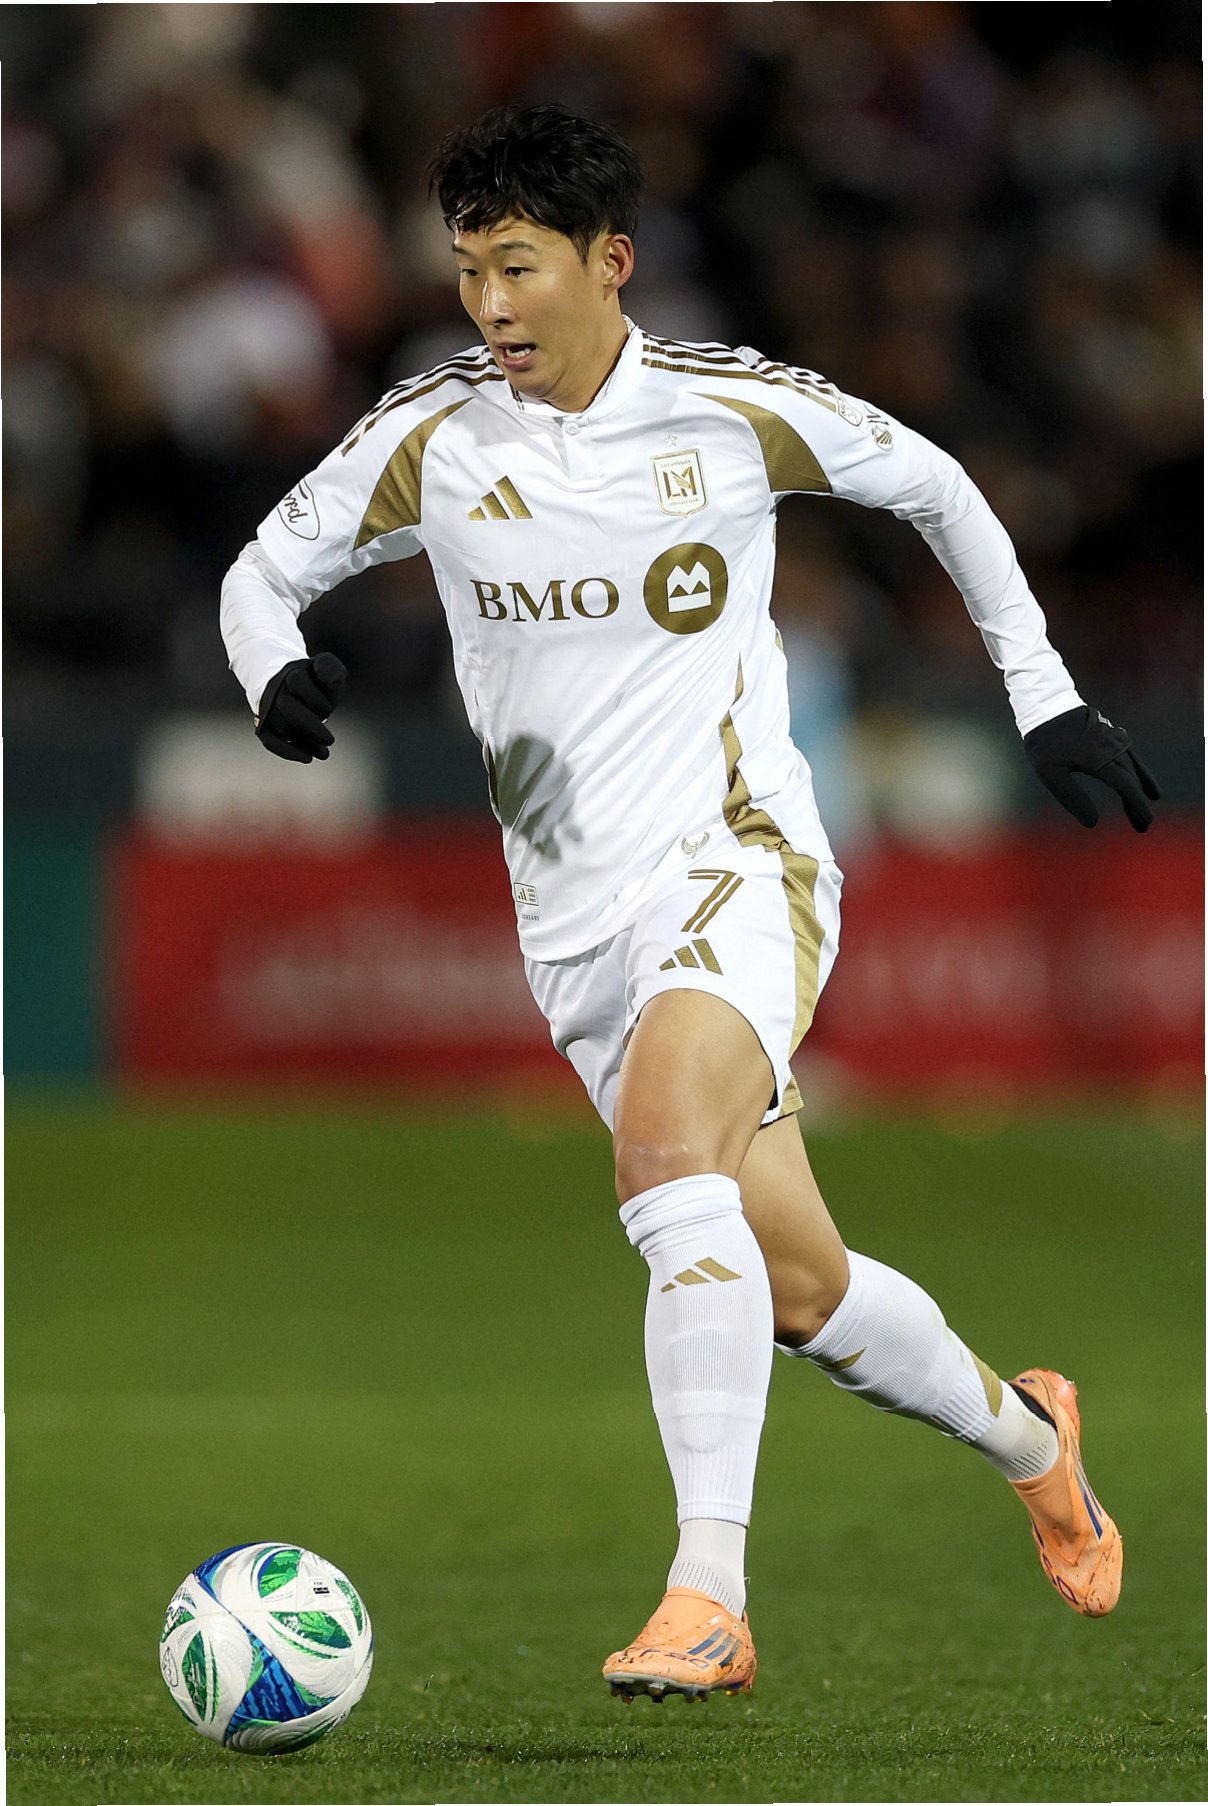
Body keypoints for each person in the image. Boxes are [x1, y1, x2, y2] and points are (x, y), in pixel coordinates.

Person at [220, 104, 1158, 1703]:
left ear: (611, 262)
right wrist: (270, 670)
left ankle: (707, 1597)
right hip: (573, 926)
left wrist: (1045, 694)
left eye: (519, 267)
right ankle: (1033, 1439)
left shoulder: (728, 410)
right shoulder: (435, 435)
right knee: (794, 1284)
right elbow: (262, 570)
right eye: (467, 271)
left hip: (739, 859)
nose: (490, 306)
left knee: (665, 1168)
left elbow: (939, 486)